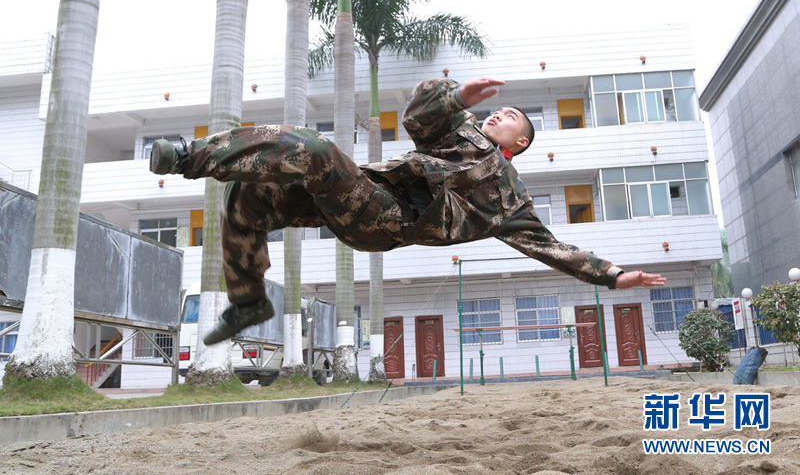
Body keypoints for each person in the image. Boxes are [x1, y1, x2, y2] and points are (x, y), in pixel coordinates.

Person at [150, 77, 666, 345]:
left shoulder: (510, 200)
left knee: (315, 148)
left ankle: (189, 156)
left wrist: (613, 275)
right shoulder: (460, 131)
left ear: (521, 142)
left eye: (508, 117)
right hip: (364, 194)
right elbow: (419, 118)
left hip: (388, 219)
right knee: (247, 197)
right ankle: (247, 300)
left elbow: (554, 248)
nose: (496, 115)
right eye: (495, 110)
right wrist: (458, 95)